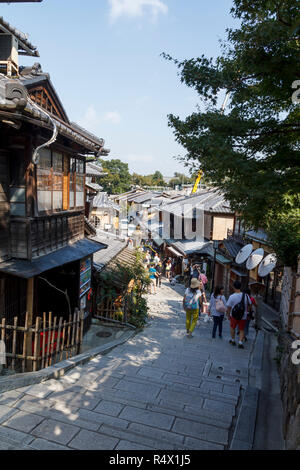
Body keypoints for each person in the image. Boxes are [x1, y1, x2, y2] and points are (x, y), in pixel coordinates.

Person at [226, 281, 251, 349]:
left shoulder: (232, 296)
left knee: (233, 327)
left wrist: (228, 315)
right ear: (240, 287)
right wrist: (247, 311)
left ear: (234, 287)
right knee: (241, 329)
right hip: (243, 315)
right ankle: (240, 342)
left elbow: (229, 307)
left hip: (234, 315)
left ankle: (233, 340)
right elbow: (250, 304)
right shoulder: (246, 295)